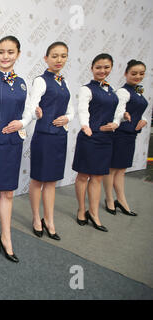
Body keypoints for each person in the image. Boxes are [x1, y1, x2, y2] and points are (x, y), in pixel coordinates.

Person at [0, 36, 33, 263]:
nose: (5, 56)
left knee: (8, 193)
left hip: (13, 144)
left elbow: (28, 111)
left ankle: (7, 237)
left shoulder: (22, 82)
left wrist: (23, 122)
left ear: (18, 54)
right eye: (1, 52)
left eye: (10, 52)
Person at [28, 42, 74, 241]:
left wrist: (68, 118)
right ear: (46, 58)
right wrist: (36, 111)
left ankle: (50, 220)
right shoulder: (40, 80)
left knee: (52, 182)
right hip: (44, 136)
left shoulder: (64, 82)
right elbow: (32, 105)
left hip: (59, 137)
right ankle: (37, 218)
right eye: (54, 56)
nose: (59, 60)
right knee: (38, 180)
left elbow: (71, 110)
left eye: (63, 56)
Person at [73, 53, 124, 232]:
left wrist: (117, 123)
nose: (102, 70)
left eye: (106, 67)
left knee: (98, 177)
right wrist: (85, 126)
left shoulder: (111, 91)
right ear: (92, 69)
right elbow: (83, 110)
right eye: (98, 67)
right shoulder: (87, 89)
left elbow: (119, 111)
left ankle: (94, 213)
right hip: (89, 137)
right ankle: (81, 210)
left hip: (106, 139)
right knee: (83, 176)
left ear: (111, 68)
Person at [103, 60, 149, 216]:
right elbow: (119, 111)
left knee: (121, 170)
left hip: (131, 135)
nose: (138, 76)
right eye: (134, 73)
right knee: (112, 169)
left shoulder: (138, 91)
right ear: (126, 74)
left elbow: (140, 110)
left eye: (141, 73)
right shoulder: (123, 92)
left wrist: (145, 120)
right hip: (120, 135)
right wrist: (123, 115)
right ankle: (109, 199)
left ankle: (121, 200)